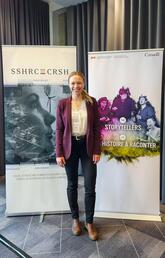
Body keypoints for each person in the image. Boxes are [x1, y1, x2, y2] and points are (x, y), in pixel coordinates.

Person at [56, 71, 101, 241]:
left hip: (88, 147)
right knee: (72, 184)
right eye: (73, 83)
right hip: (70, 147)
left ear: (84, 84)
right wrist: (59, 152)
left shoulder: (91, 102)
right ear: (69, 85)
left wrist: (97, 150)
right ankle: (76, 220)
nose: (76, 86)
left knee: (90, 186)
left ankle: (89, 222)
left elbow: (97, 128)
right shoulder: (62, 104)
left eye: (79, 83)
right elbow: (59, 129)